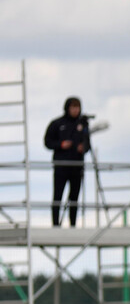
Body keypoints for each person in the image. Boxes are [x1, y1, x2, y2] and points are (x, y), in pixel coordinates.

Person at [43, 97, 91, 227]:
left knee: (74, 198)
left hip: (77, 167)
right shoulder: (57, 123)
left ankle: (73, 224)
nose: (75, 110)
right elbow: (47, 141)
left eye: (77, 107)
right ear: (67, 108)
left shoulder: (83, 125)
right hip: (61, 167)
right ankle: (55, 224)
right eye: (73, 107)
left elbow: (88, 145)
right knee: (58, 196)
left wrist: (83, 147)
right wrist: (61, 144)